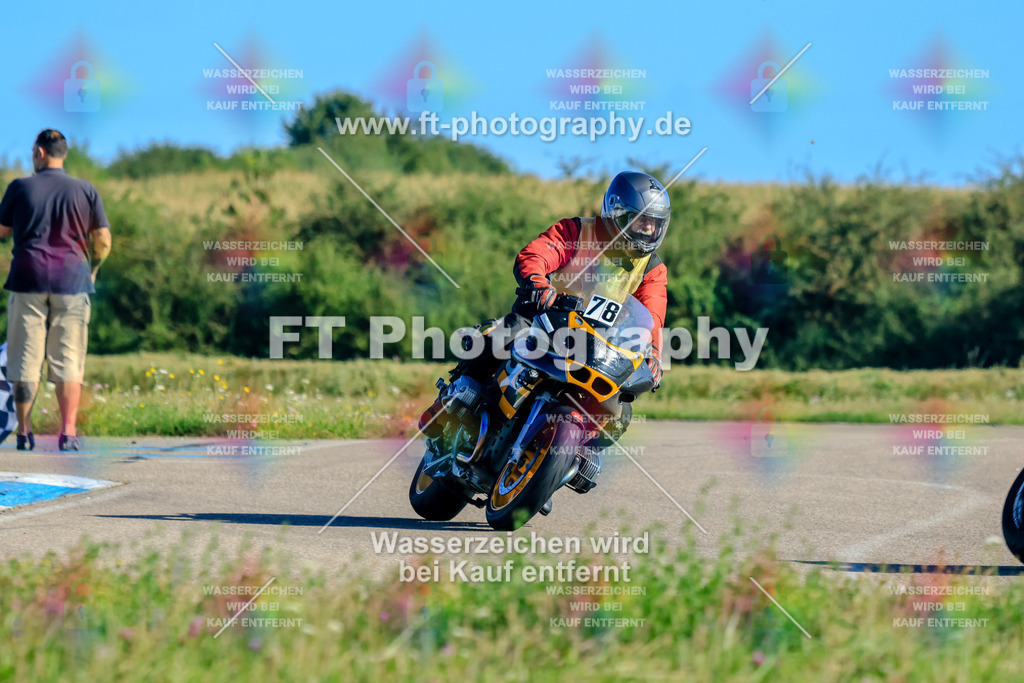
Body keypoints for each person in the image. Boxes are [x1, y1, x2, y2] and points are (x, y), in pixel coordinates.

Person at [419, 170, 670, 435]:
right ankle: (448, 402)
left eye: (655, 225)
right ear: (615, 212)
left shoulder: (653, 268)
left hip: (599, 342)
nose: (648, 231)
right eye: (640, 223)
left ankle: (576, 465)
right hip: (545, 316)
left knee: (619, 417)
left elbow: (653, 313)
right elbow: (538, 253)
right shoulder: (577, 231)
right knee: (499, 337)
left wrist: (652, 351)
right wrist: (539, 283)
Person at [0, 129, 112, 451]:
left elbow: (3, 229)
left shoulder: (20, 187)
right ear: (63, 154)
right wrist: (94, 267)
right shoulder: (86, 190)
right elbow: (102, 239)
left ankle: (24, 432)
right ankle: (68, 433)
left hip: (27, 280)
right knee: (69, 361)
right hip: (72, 281)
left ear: (38, 152)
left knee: (24, 361)